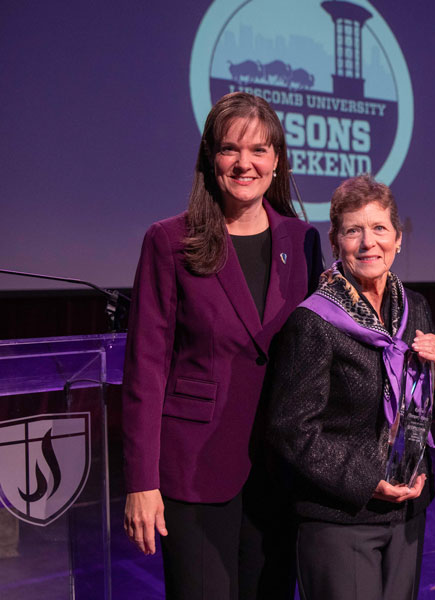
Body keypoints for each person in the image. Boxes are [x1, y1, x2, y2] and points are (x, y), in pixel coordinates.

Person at [121, 92, 323, 599]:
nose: (244, 162)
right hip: (193, 469)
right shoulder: (169, 240)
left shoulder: (304, 241)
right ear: (211, 159)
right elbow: (145, 368)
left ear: (276, 161)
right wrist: (141, 481)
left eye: (258, 150)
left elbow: (328, 344)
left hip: (280, 468)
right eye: (230, 149)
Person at [265, 174, 435, 600]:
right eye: (353, 230)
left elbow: (432, 408)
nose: (369, 243)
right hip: (340, 518)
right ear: (335, 242)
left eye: (380, 228)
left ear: (398, 239)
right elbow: (290, 431)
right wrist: (367, 480)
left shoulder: (415, 308)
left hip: (407, 511)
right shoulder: (312, 321)